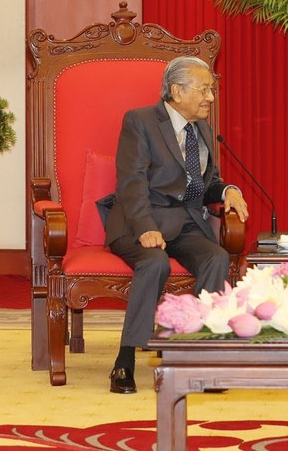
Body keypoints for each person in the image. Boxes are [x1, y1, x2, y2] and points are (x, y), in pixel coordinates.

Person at [102, 56, 249, 394]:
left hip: (185, 224)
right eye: (204, 90)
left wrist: (228, 190)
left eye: (211, 90)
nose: (210, 97)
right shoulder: (140, 121)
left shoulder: (202, 129)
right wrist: (145, 227)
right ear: (177, 90)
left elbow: (205, 184)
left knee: (216, 258)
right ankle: (125, 360)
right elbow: (132, 181)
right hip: (138, 221)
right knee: (154, 263)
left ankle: (194, 355)